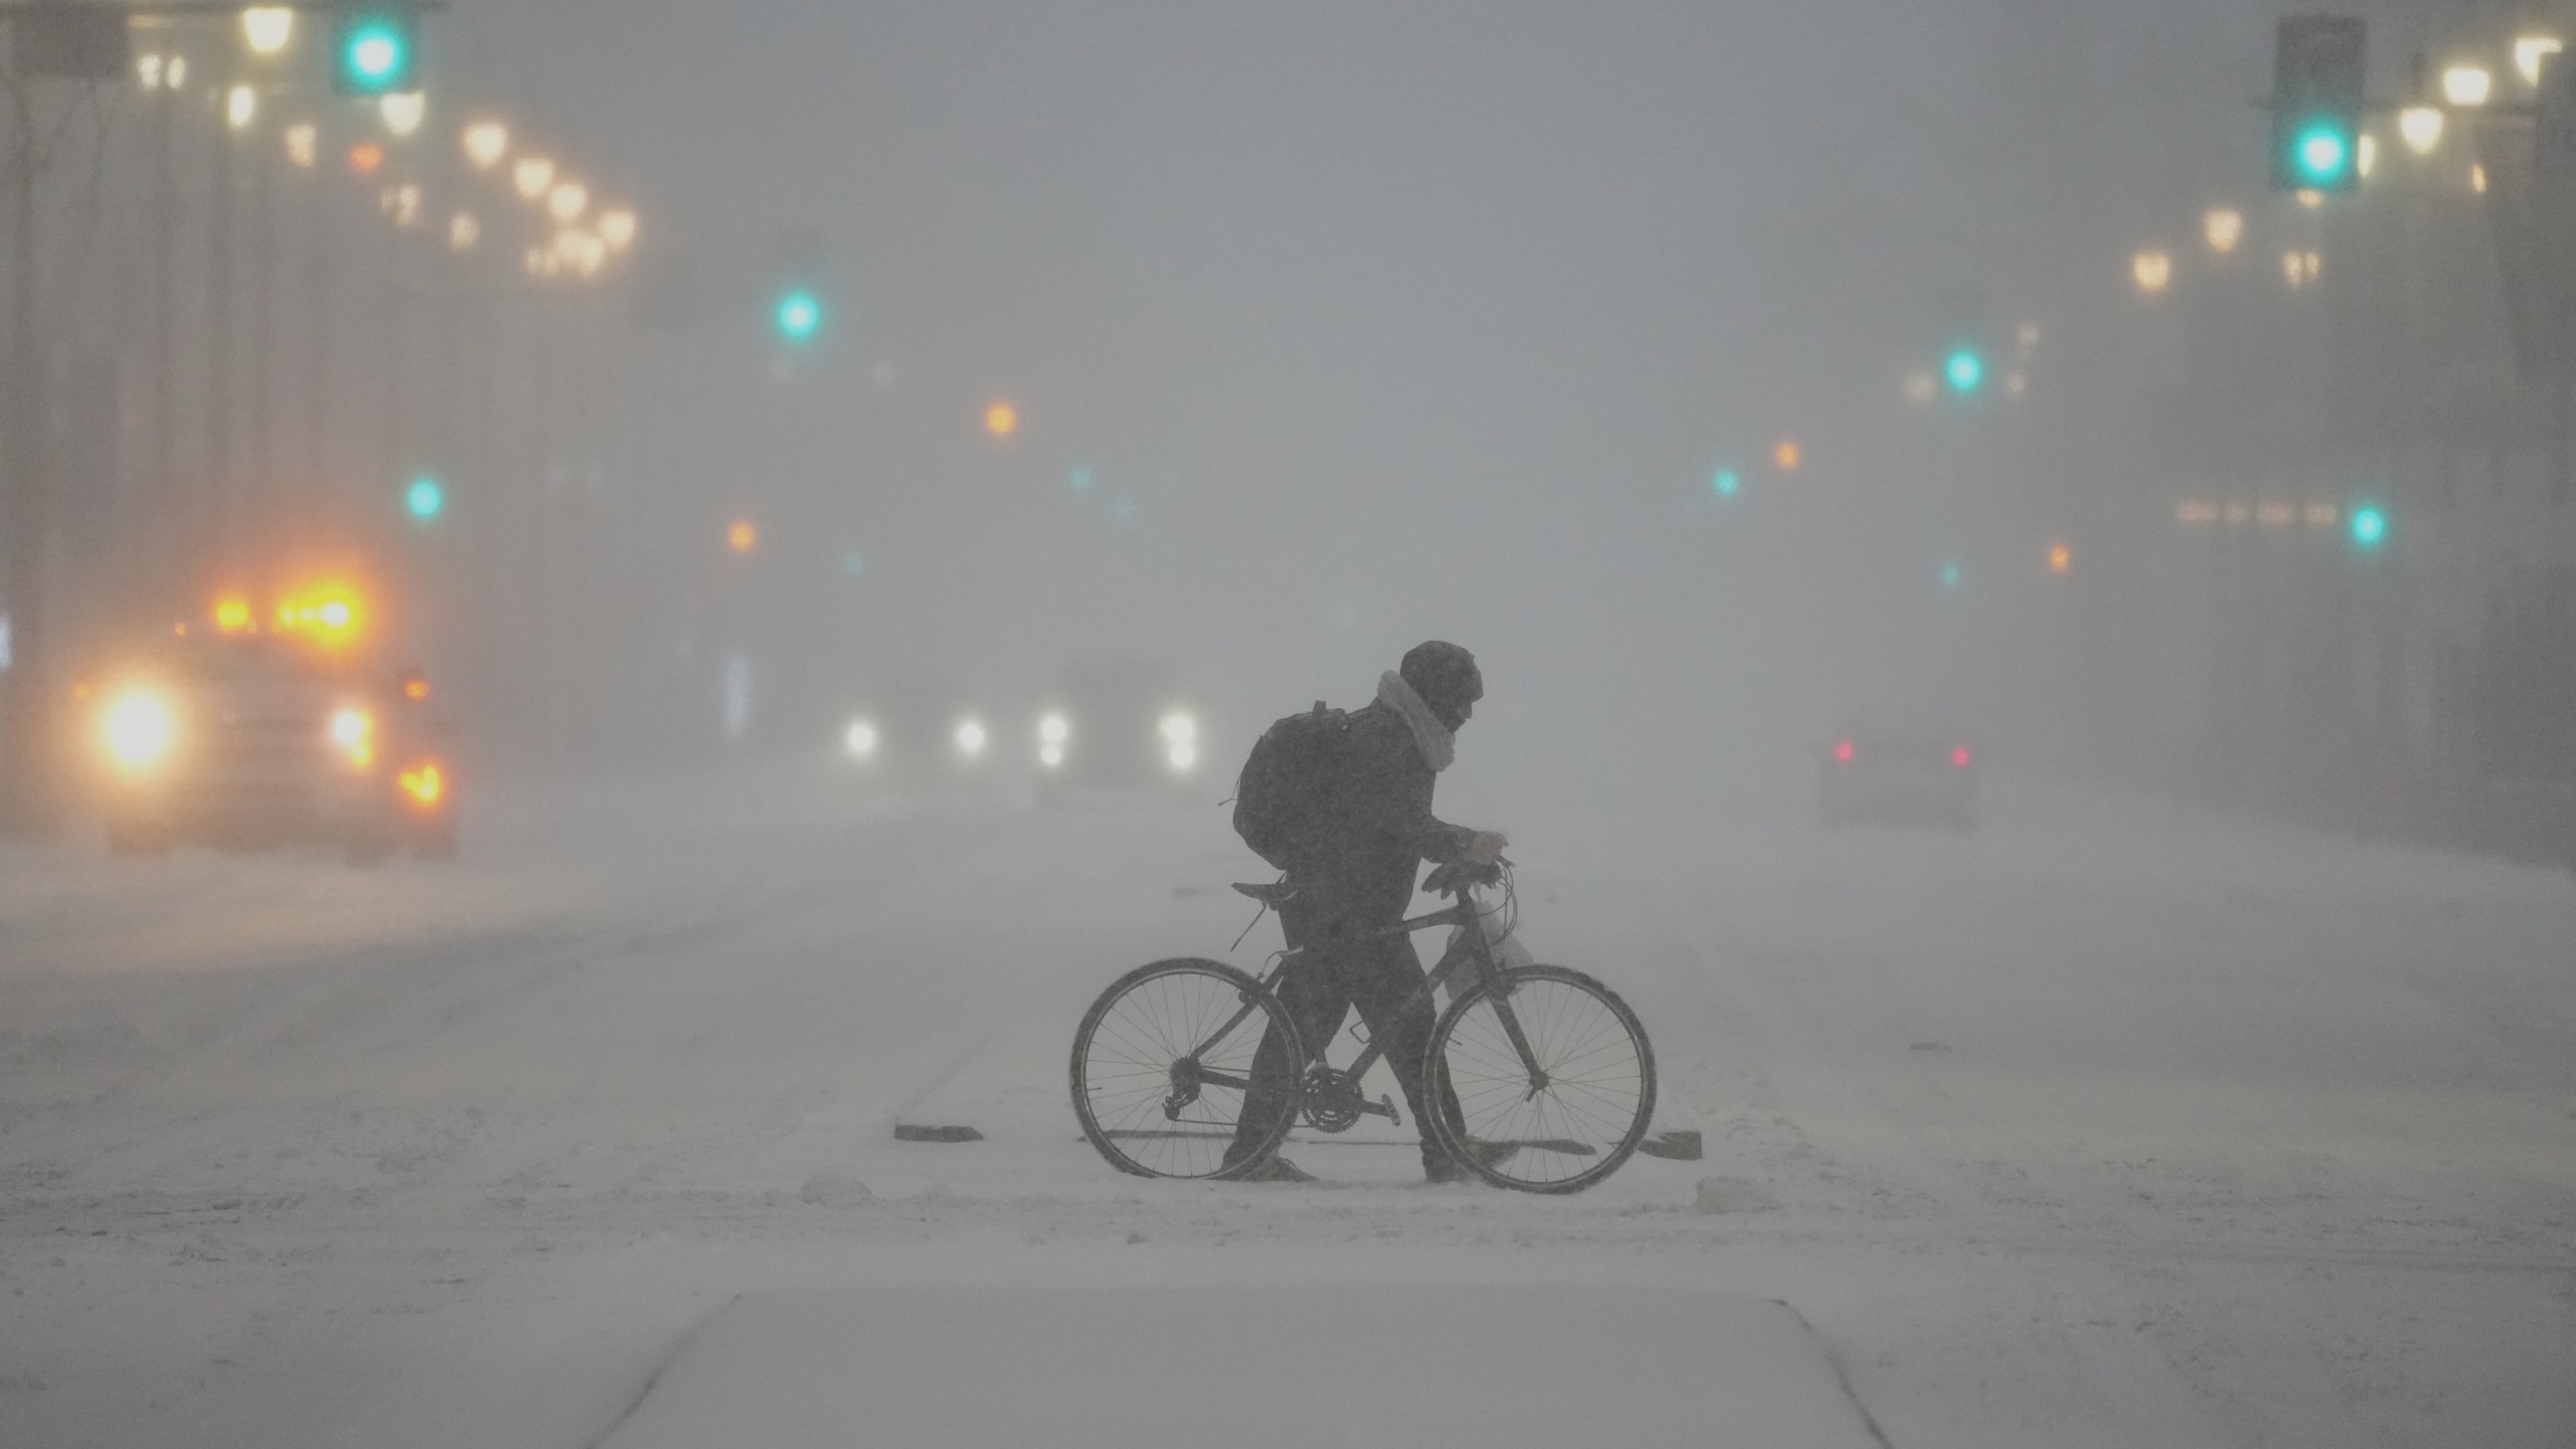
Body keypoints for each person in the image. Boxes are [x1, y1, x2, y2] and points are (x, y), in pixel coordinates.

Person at [1224, 641, 1510, 1183]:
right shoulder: (1388, 739)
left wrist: (1453, 853)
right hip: (1344, 912)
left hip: (1348, 905)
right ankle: (1446, 1150)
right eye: (1461, 700)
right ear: (1433, 696)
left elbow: (1388, 826)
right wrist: (1463, 842)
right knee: (1397, 1030)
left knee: (1323, 1032)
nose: (1467, 714)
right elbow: (1395, 817)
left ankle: (1251, 1154)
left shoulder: (1405, 735)